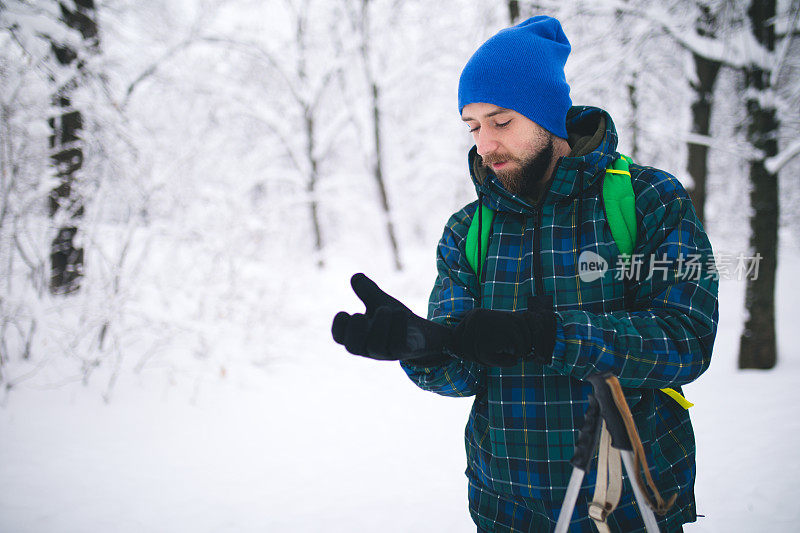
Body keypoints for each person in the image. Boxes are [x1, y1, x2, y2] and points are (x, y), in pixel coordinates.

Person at [332, 15, 718, 533]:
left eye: (501, 121)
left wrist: (551, 335)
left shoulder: (648, 200)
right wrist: (423, 344)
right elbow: (463, 375)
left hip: (629, 504)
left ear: (548, 116)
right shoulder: (469, 229)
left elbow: (686, 341)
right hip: (506, 510)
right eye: (472, 127)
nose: (484, 144)